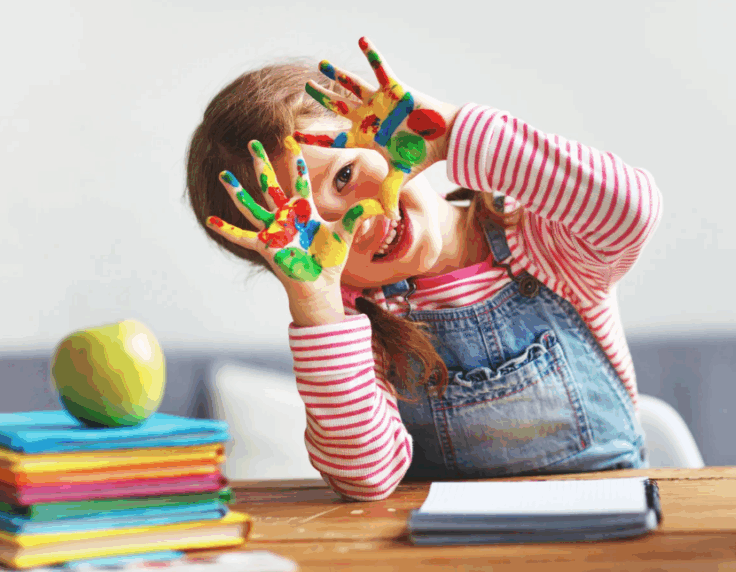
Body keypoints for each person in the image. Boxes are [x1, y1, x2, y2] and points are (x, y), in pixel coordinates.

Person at [186, 38, 663, 501]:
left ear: (386, 135)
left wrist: (450, 132)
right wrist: (318, 309)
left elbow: (630, 211)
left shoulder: (539, 239)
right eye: (308, 231)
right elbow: (365, 479)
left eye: (344, 175)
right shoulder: (356, 324)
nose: (358, 220)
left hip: (612, 515)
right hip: (451, 545)